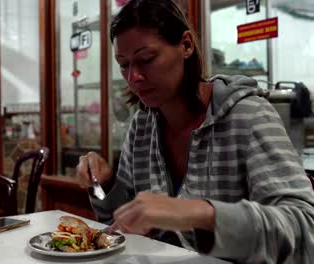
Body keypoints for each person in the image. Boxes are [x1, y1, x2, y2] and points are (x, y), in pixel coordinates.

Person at [75, 0, 314, 263]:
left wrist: (197, 213)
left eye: (146, 59)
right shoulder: (142, 127)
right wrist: (105, 185)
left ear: (186, 45)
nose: (133, 78)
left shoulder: (249, 115)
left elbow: (303, 228)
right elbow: (120, 227)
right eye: (124, 65)